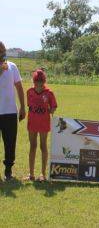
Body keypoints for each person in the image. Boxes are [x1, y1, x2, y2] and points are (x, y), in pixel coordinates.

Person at [23, 68, 57, 182]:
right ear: (33, 81)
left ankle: (42, 174)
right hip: (32, 122)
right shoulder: (29, 92)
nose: (38, 84)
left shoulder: (49, 93)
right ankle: (31, 174)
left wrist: (52, 109)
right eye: (36, 82)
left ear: (44, 81)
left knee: (43, 147)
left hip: (44, 123)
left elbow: (54, 106)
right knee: (32, 146)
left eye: (40, 82)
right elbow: (29, 106)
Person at [0, 41, 26, 181]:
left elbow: (19, 87)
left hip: (10, 112)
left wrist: (22, 106)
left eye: (3, 50)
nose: (2, 53)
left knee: (10, 143)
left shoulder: (12, 67)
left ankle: (8, 170)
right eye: (0, 51)